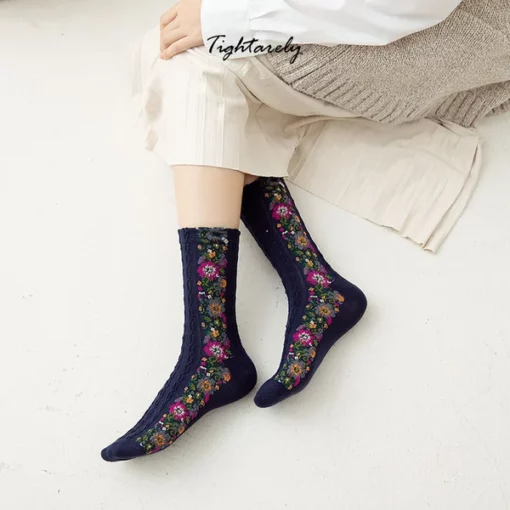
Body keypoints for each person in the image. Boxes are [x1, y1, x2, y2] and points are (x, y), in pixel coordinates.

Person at [101, 0, 510, 461]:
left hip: (437, 41)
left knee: (188, 60)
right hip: (408, 31)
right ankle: (308, 291)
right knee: (178, 52)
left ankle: (217, 347)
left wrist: (228, 17)